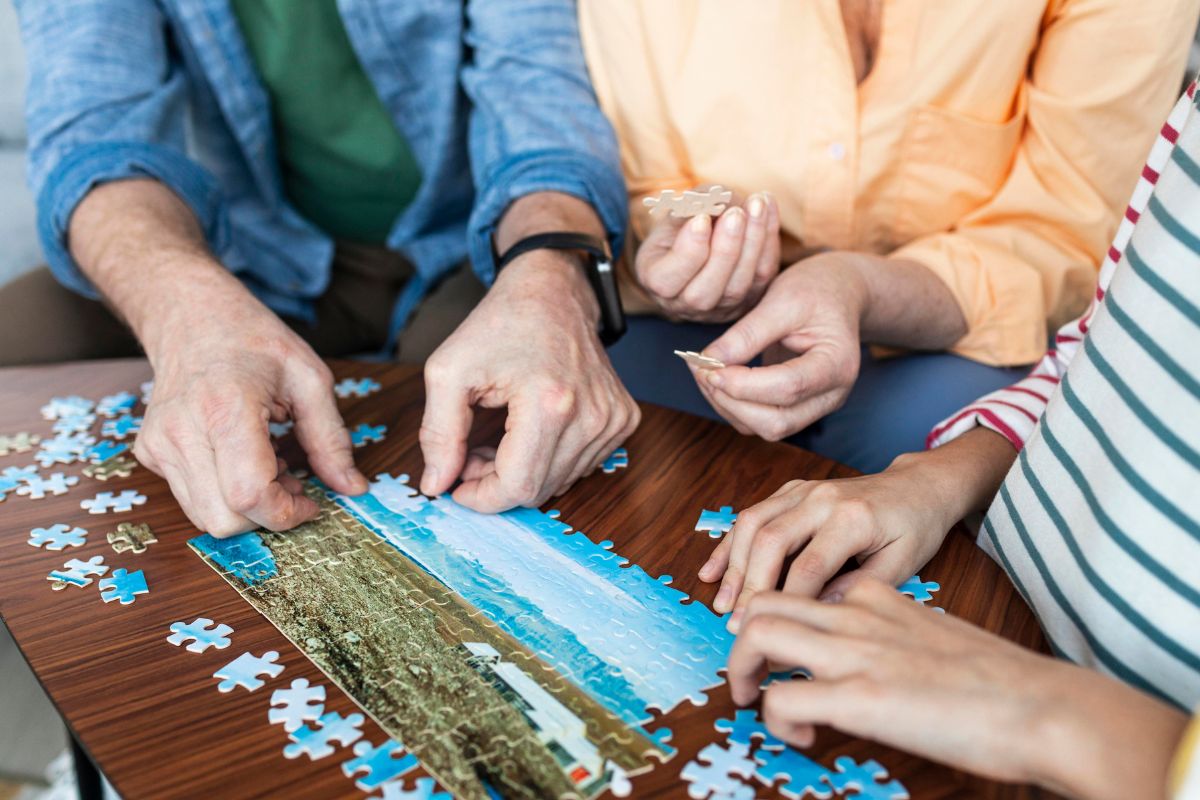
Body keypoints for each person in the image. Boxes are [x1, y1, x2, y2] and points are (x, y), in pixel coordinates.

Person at [713, 85, 1200, 799]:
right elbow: (1096, 355)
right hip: (979, 621)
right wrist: (935, 480)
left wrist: (1047, 712)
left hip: (1074, 738)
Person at [4, 0, 640, 534]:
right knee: (17, 335)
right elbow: (93, 141)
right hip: (251, 254)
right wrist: (186, 314)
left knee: (493, 440)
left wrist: (553, 280)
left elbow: (540, 103)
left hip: (472, 245)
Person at [578, 0, 1198, 472]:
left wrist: (860, 290)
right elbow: (647, 186)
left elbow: (1064, 231)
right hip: (677, 328)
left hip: (943, 341)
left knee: (968, 479)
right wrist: (686, 237)